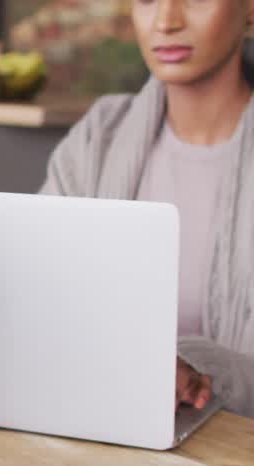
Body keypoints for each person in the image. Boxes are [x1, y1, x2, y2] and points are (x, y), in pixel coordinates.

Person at [41, 0, 254, 419]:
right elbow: (42, 301)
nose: (166, 21)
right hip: (101, 429)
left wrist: (198, 371)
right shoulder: (97, 139)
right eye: (147, 0)